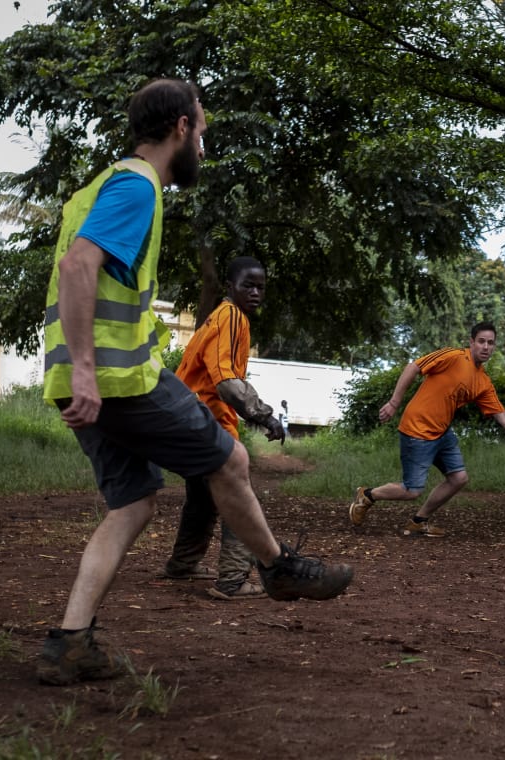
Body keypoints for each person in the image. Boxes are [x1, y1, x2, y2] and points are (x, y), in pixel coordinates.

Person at [38, 78, 352, 686]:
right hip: (118, 378)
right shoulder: (137, 186)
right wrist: (87, 368)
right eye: (202, 132)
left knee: (132, 504)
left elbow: (82, 271)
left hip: (81, 380)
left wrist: (74, 371)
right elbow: (80, 266)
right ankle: (279, 567)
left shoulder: (96, 188)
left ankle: (70, 641)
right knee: (229, 458)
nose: (203, 147)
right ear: (181, 127)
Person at [161, 256, 284, 601]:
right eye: (249, 285)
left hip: (187, 416)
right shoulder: (231, 317)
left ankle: (183, 564)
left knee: (202, 498)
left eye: (261, 286)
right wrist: (264, 415)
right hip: (206, 419)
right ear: (230, 287)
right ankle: (232, 579)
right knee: (237, 494)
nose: (256, 292)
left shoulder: (223, 317)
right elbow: (226, 379)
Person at [348, 321, 505, 537]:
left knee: (459, 478)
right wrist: (394, 402)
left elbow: (501, 414)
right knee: (412, 490)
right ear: (471, 342)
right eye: (481, 342)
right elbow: (414, 366)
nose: (486, 347)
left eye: (491, 343)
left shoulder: (483, 382)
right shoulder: (453, 357)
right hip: (417, 430)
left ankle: (418, 521)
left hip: (441, 433)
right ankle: (367, 495)